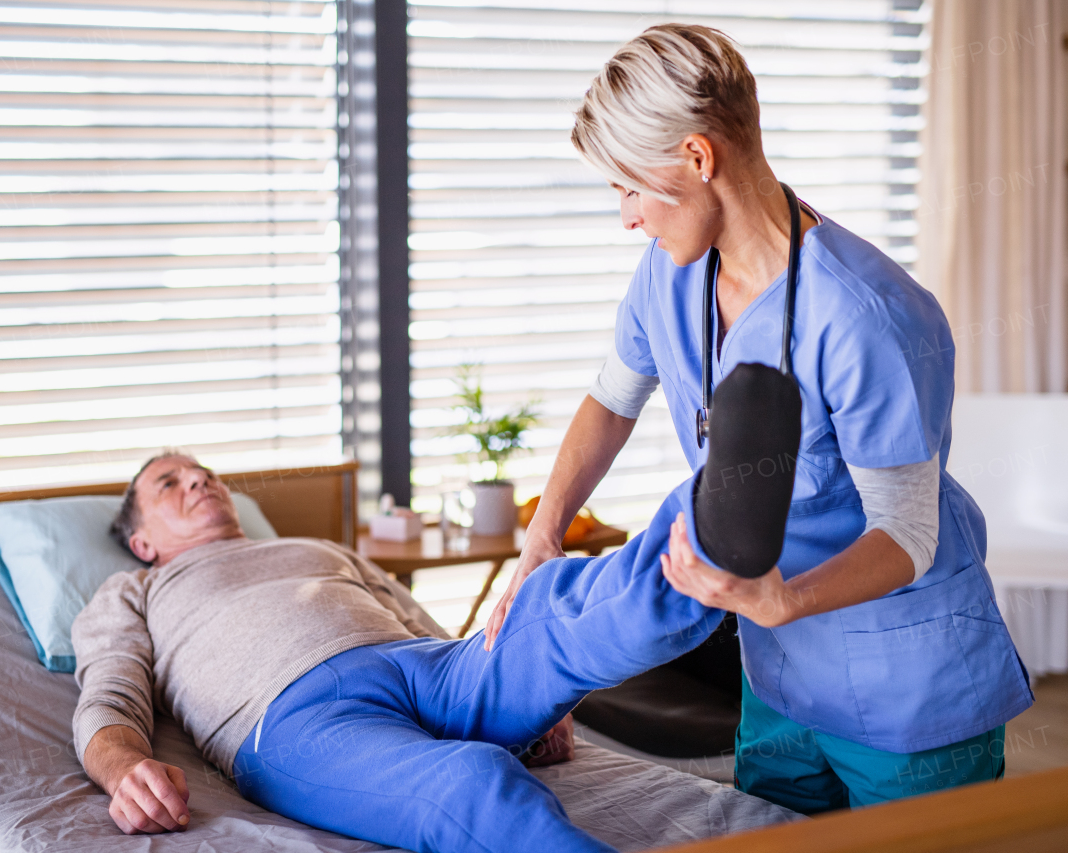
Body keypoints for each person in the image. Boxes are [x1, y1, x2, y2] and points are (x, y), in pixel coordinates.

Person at [484, 24, 1033, 814]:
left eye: (630, 187)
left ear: (699, 158)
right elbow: (610, 400)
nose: (626, 217)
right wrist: (545, 533)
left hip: (905, 692)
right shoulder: (668, 275)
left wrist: (783, 601)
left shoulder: (866, 316)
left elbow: (908, 534)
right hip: (776, 674)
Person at [73, 408, 797, 852]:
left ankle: (711, 520)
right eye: (171, 484)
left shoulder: (321, 549)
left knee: (547, 609)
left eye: (203, 472)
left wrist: (529, 695)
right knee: (471, 778)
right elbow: (108, 697)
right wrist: (121, 768)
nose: (199, 481)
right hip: (293, 718)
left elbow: (432, 627)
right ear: (141, 540)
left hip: (423, 665)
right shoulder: (135, 589)